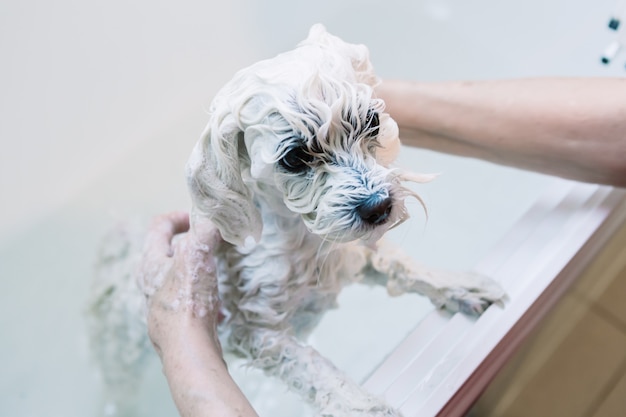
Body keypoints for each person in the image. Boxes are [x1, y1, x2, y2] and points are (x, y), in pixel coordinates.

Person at [141, 77, 626, 417]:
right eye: (297, 158)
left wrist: (430, 281)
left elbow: (354, 254)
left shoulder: (314, 213)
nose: (373, 193)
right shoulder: (251, 241)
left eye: (365, 127)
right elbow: (253, 333)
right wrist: (343, 400)